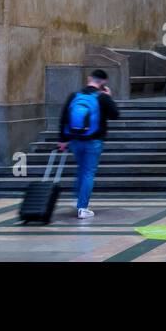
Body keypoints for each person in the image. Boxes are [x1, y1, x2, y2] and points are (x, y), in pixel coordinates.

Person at [56, 69, 120, 219]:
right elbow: (115, 115)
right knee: (88, 172)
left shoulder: (74, 96)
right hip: (93, 141)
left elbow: (63, 117)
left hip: (75, 141)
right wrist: (109, 97)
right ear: (103, 83)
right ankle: (83, 208)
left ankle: (77, 200)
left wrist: (62, 139)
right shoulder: (102, 98)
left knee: (81, 169)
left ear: (89, 79)